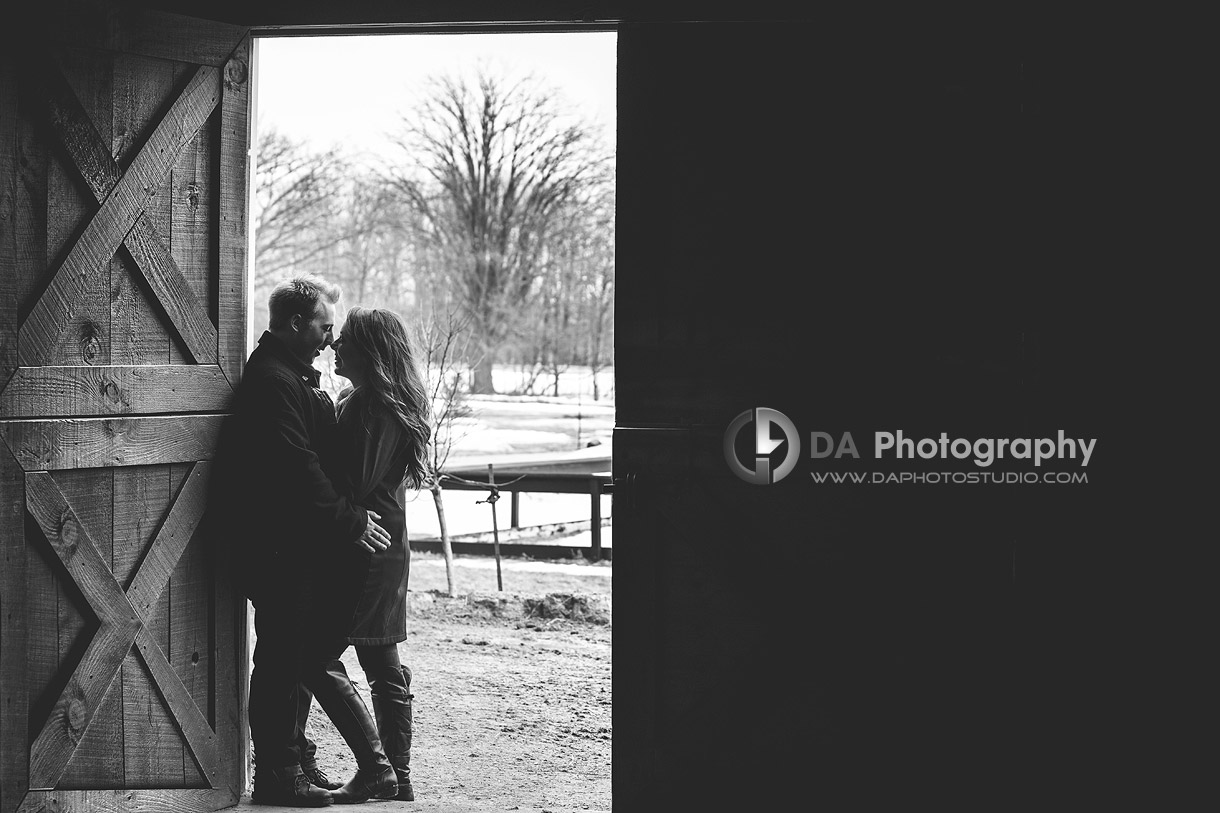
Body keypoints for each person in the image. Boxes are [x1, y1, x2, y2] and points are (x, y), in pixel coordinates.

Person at [208, 276, 395, 807]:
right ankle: (277, 774)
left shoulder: (289, 376)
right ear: (294, 323)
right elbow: (296, 469)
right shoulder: (274, 381)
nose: (329, 339)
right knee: (279, 663)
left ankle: (292, 760)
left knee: (288, 658)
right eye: (323, 326)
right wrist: (351, 522)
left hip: (290, 547)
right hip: (277, 550)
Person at [302, 306, 433, 803]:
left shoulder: (373, 406)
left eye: (346, 340)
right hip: (383, 545)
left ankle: (379, 768)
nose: (336, 347)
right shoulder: (378, 401)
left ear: (370, 351)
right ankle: (397, 777)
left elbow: (353, 482)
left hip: (366, 549)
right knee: (382, 663)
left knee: (314, 657)